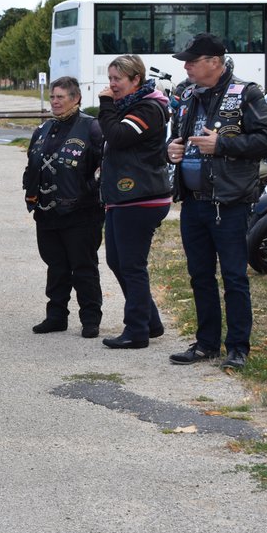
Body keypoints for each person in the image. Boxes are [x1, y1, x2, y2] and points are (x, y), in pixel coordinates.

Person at [166, 33, 267, 370]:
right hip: (193, 202)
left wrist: (223, 145)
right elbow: (179, 137)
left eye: (192, 61)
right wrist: (172, 149)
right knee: (200, 276)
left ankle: (238, 347)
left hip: (229, 203)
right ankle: (206, 344)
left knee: (234, 278)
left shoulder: (245, 93)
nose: (186, 67)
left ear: (214, 62)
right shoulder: (188, 94)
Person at [97, 54, 172, 349]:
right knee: (117, 261)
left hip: (142, 197)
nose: (111, 85)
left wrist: (105, 105)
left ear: (136, 79)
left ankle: (137, 330)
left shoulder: (148, 108)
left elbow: (117, 136)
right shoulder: (128, 106)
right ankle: (150, 322)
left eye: (117, 79)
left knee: (131, 265)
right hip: (122, 197)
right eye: (110, 78)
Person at [22, 78, 104, 338]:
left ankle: (90, 319)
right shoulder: (44, 129)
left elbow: (105, 166)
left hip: (82, 213)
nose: (55, 102)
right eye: (52, 97)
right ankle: (56, 316)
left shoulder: (92, 127)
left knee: (84, 267)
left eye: (61, 97)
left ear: (75, 98)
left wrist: (88, 189)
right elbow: (31, 164)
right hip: (46, 212)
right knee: (56, 267)